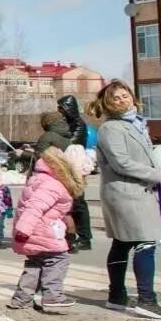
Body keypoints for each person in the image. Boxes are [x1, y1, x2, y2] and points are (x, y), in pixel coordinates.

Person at [91, 81, 161, 320]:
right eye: (116, 98)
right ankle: (147, 299)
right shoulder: (111, 128)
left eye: (125, 95)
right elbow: (121, 162)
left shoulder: (135, 124)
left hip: (137, 191)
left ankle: (116, 296)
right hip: (126, 193)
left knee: (123, 242)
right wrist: (156, 174)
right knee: (146, 241)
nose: (122, 100)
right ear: (107, 103)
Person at [8, 146, 84, 314]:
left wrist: (22, 232)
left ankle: (21, 299)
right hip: (41, 231)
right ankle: (53, 296)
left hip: (33, 232)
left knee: (35, 263)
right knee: (58, 260)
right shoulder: (52, 185)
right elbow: (34, 208)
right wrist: (23, 229)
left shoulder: (38, 179)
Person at [56, 96, 94, 249]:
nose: (59, 112)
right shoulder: (66, 124)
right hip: (66, 167)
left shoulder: (78, 124)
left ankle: (85, 238)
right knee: (70, 204)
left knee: (78, 204)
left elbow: (70, 143)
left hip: (75, 168)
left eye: (62, 109)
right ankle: (71, 235)